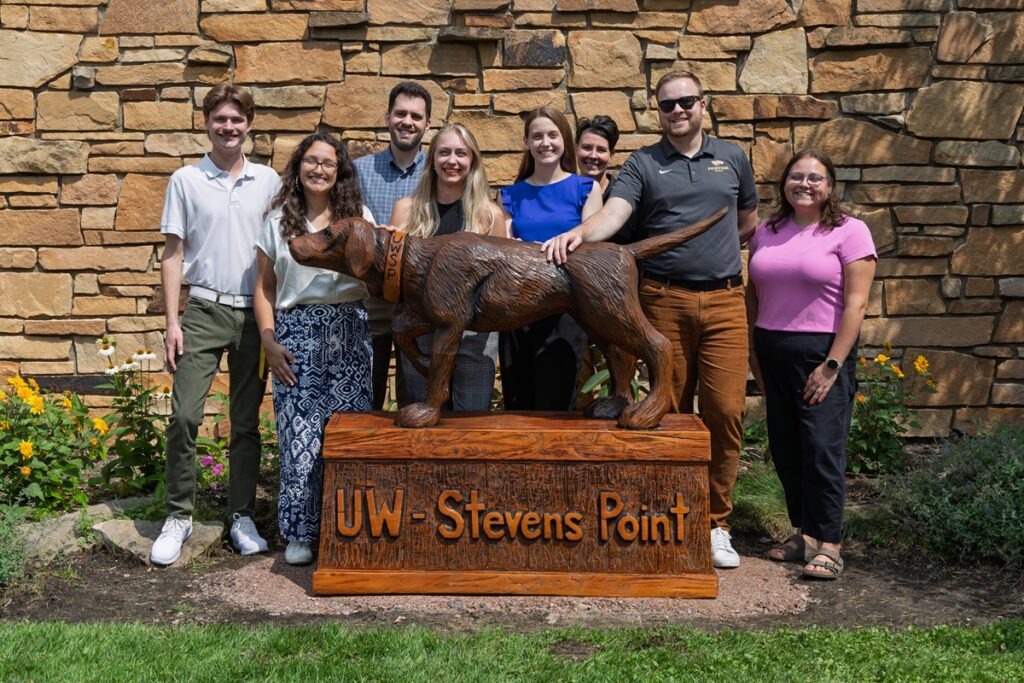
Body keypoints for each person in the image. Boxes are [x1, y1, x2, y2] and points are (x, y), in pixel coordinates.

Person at [543, 71, 759, 569]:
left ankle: (715, 524)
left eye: (687, 102)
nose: (678, 111)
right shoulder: (643, 163)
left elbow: (746, 221)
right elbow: (615, 214)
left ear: (703, 105)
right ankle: (672, 517)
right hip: (663, 301)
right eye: (668, 105)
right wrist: (577, 235)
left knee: (725, 412)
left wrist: (715, 256)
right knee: (668, 410)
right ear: (657, 112)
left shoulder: (732, 158)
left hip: (725, 302)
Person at [152, 84, 281, 566]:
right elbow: (173, 253)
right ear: (206, 122)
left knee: (245, 423)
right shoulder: (186, 180)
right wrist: (172, 321)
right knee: (185, 415)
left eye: (237, 119)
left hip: (253, 313)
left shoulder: (268, 182)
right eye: (220, 119)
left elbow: (279, 251)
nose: (229, 127)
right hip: (203, 311)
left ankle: (241, 516)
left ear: (250, 124)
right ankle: (178, 517)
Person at [747, 149, 876, 580]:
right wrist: (754, 356)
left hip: (822, 353)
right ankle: (803, 534)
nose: (805, 184)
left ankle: (831, 543)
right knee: (786, 448)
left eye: (815, 178)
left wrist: (832, 365)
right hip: (772, 347)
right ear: (783, 183)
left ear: (830, 187)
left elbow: (856, 306)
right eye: (796, 176)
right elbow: (753, 296)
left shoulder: (849, 232)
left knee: (822, 447)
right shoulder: (767, 230)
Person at [253, 134, 374, 566]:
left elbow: (375, 270)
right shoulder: (276, 223)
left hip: (349, 330)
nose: (319, 169)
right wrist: (269, 341)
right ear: (299, 167)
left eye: (328, 163)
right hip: (296, 334)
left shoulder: (357, 217)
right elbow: (265, 288)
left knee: (346, 434)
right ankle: (301, 532)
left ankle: (345, 530)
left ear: (339, 171)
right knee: (298, 436)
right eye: (311, 161)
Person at [390, 124, 507, 410]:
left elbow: (501, 283)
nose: (452, 161)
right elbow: (394, 278)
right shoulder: (406, 210)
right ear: (432, 160)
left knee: (471, 420)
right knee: (421, 418)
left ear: (473, 161)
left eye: (461, 154)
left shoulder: (490, 216)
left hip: (474, 335)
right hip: (421, 330)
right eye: (444, 153)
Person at [500, 106, 603, 411]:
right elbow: (505, 249)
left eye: (552, 135)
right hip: (516, 310)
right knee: (518, 405)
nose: (545, 142)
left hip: (564, 309)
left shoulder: (586, 188)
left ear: (565, 140)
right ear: (526, 143)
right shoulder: (508, 195)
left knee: (556, 406)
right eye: (537, 136)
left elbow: (592, 248)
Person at [353, 82, 432, 410]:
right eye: (400, 113)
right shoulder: (360, 171)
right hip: (373, 297)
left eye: (416, 116)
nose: (407, 121)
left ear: (427, 124)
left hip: (420, 298)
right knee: (366, 392)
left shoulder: (438, 169)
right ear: (387, 117)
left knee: (416, 394)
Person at [575, 115, 620, 201]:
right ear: (576, 150)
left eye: (601, 150)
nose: (593, 156)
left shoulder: (622, 196)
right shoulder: (565, 193)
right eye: (587, 147)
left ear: (611, 155)